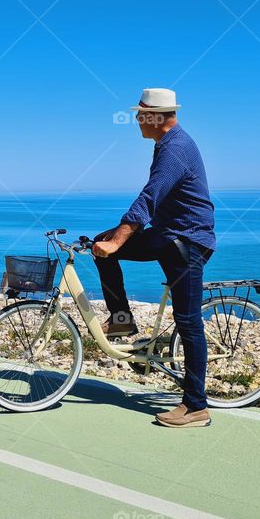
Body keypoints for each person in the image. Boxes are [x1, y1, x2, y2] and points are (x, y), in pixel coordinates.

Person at [91, 88, 216, 428]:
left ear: (155, 117)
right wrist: (112, 238)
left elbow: (149, 197)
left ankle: (195, 407)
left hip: (187, 241)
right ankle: (121, 319)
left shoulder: (176, 148)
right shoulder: (165, 145)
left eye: (140, 113)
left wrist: (120, 240)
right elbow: (152, 204)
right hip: (166, 235)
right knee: (100, 246)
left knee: (188, 321)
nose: (135, 119)